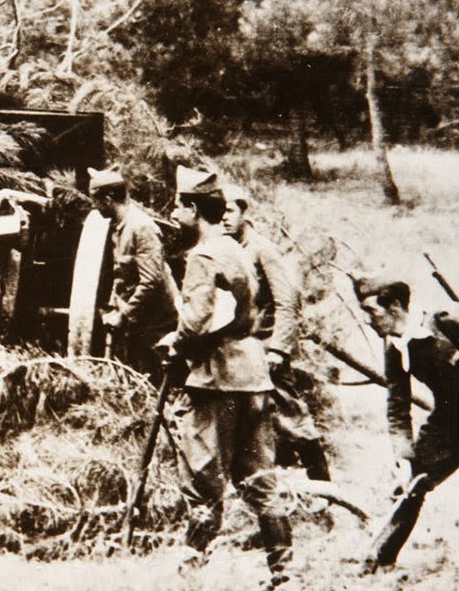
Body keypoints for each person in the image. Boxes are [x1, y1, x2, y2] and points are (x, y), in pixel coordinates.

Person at [158, 167, 292, 588]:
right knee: (260, 478)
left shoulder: (203, 255)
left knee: (202, 478)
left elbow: (197, 320)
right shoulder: (236, 249)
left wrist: (175, 346)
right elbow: (239, 312)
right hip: (253, 373)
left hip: (217, 380)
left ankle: (188, 575)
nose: (175, 215)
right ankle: (285, 570)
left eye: (178, 207)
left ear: (193, 209)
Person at [355, 275, 459, 571]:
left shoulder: (448, 321)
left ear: (394, 306)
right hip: (454, 421)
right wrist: (403, 456)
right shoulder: (394, 347)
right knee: (413, 480)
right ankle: (380, 563)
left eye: (371, 311)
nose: (368, 320)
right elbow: (397, 404)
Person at [221, 184, 329, 481]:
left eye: (231, 211)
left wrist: (279, 349)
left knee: (291, 415)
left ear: (244, 212)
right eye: (220, 212)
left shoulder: (263, 249)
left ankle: (322, 484)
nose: (224, 218)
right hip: (241, 351)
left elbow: (287, 300)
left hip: (267, 350)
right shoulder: (226, 247)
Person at [89, 168, 178, 381]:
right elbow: (121, 275)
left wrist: (124, 315)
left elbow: (151, 281)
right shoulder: (119, 227)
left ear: (108, 199)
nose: (95, 206)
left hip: (155, 325)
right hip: (138, 321)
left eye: (96, 200)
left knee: (153, 381)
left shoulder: (141, 228)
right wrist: (112, 307)